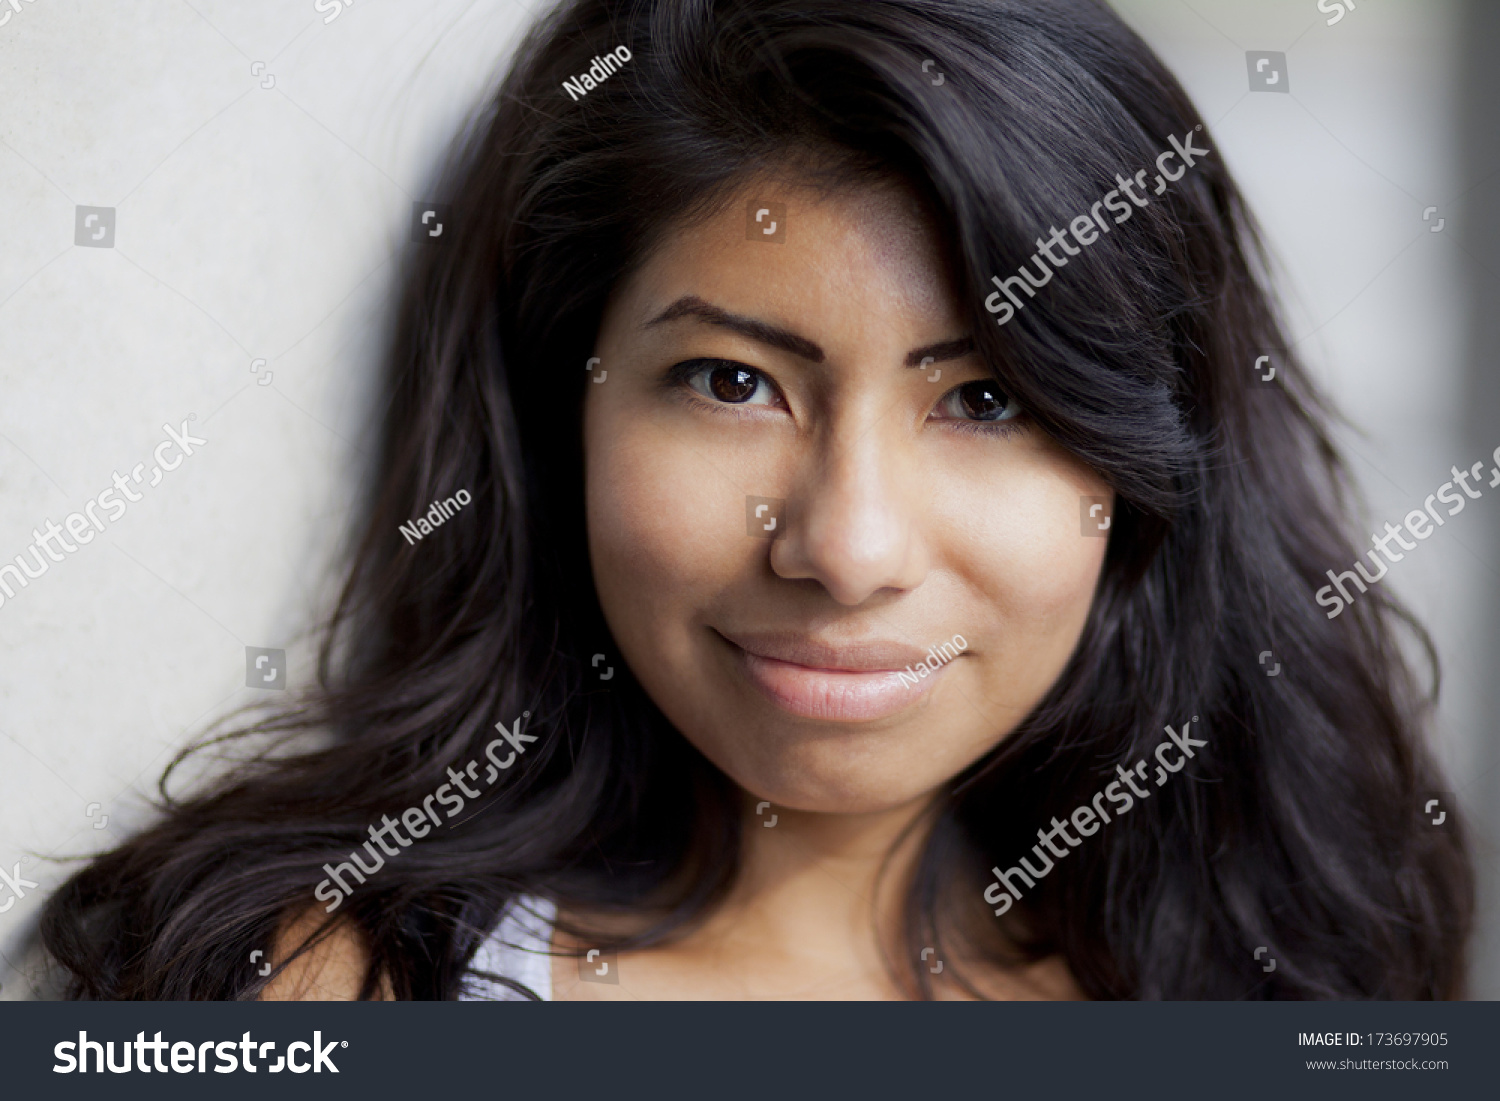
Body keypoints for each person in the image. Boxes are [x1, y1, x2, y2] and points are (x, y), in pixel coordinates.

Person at [39, 0, 1471, 1000]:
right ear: (564, 409)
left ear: (1147, 468)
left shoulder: (1280, 971)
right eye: (732, 381)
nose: (847, 547)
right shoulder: (332, 995)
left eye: (984, 400)